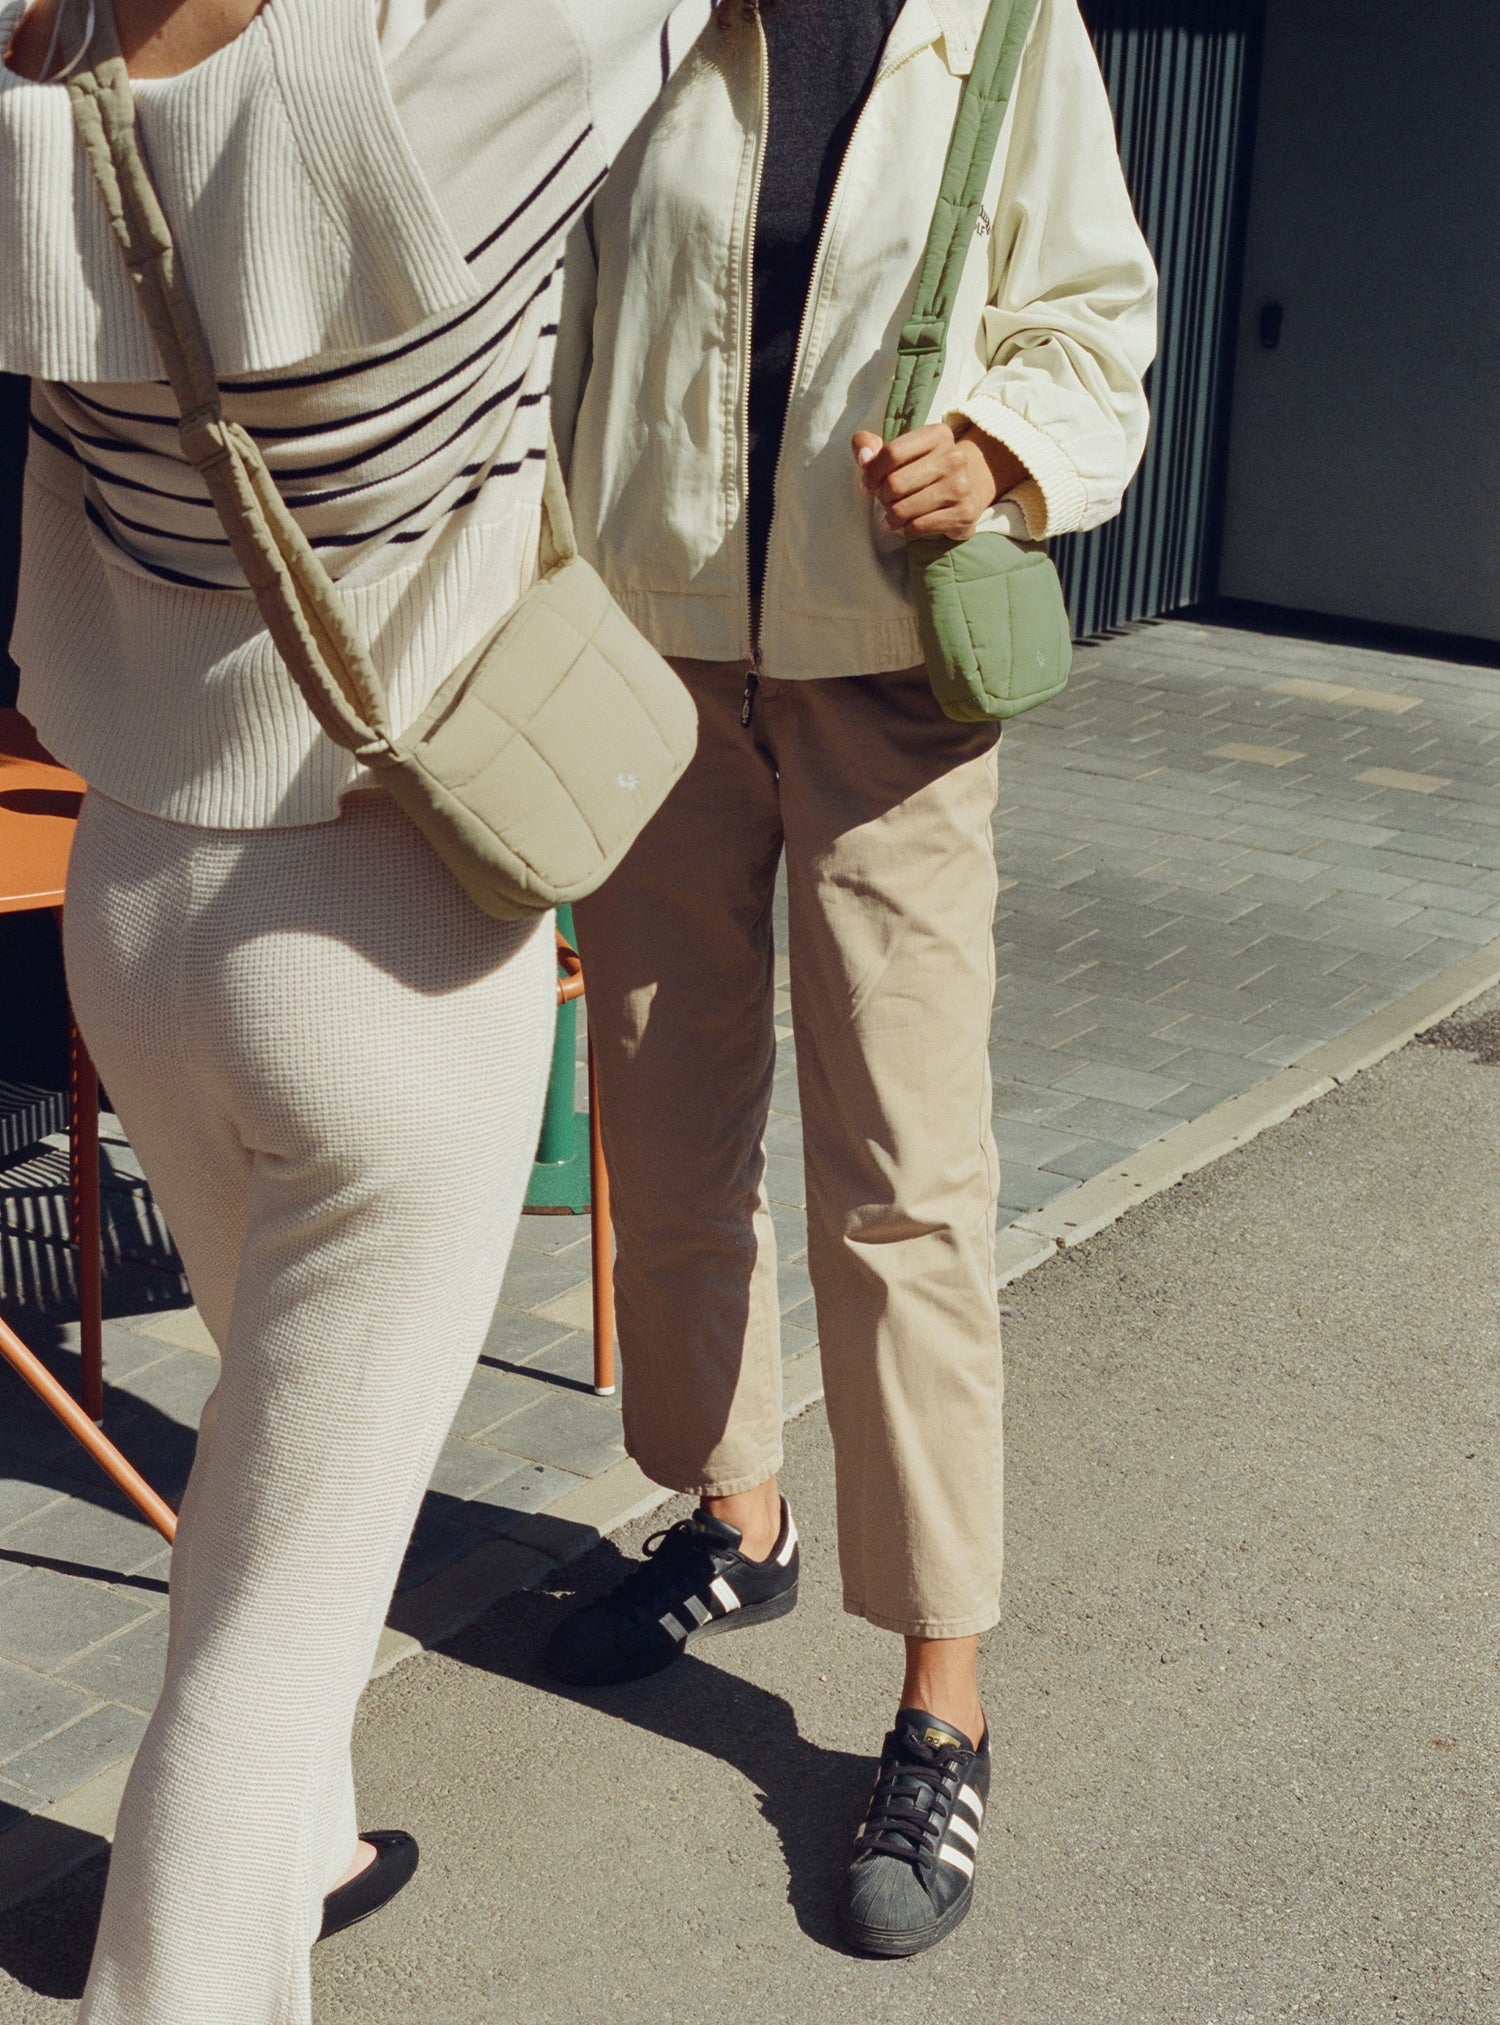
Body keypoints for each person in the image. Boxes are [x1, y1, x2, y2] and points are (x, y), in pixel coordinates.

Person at [0, 1, 695, 2018]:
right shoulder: (479, 65)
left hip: (133, 895)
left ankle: (308, 1841)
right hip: (390, 920)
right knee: (275, 1629)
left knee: (273, 1457)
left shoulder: (41, 81)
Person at [547, 0, 1157, 1957]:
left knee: (904, 1181)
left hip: (887, 677)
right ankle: (739, 1515)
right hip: (651, 657)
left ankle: (942, 1690)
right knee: (669, 1121)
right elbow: (562, 303)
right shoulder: (649, 17)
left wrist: (999, 451)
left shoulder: (1001, 28)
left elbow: (1095, 322)